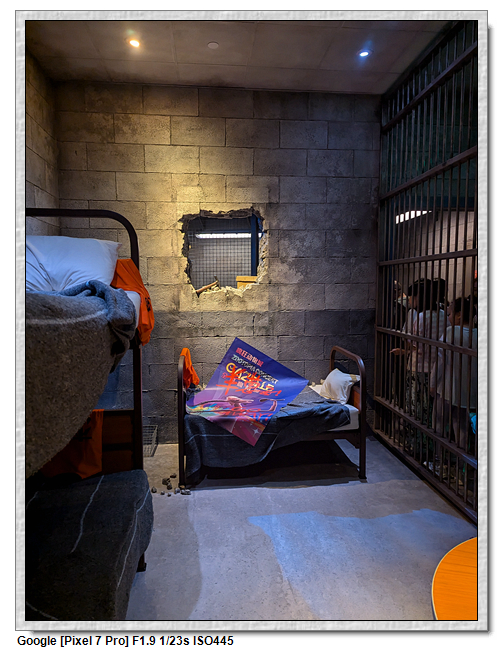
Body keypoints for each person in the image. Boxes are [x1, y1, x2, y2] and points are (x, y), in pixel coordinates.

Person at [430, 297, 477, 451]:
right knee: (462, 426)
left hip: (447, 387)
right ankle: (462, 459)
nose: (448, 317)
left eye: (450, 314)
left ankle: (438, 457)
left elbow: (440, 361)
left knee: (438, 423)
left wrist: (432, 383)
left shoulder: (451, 332)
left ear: (459, 315)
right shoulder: (479, 335)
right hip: (467, 391)